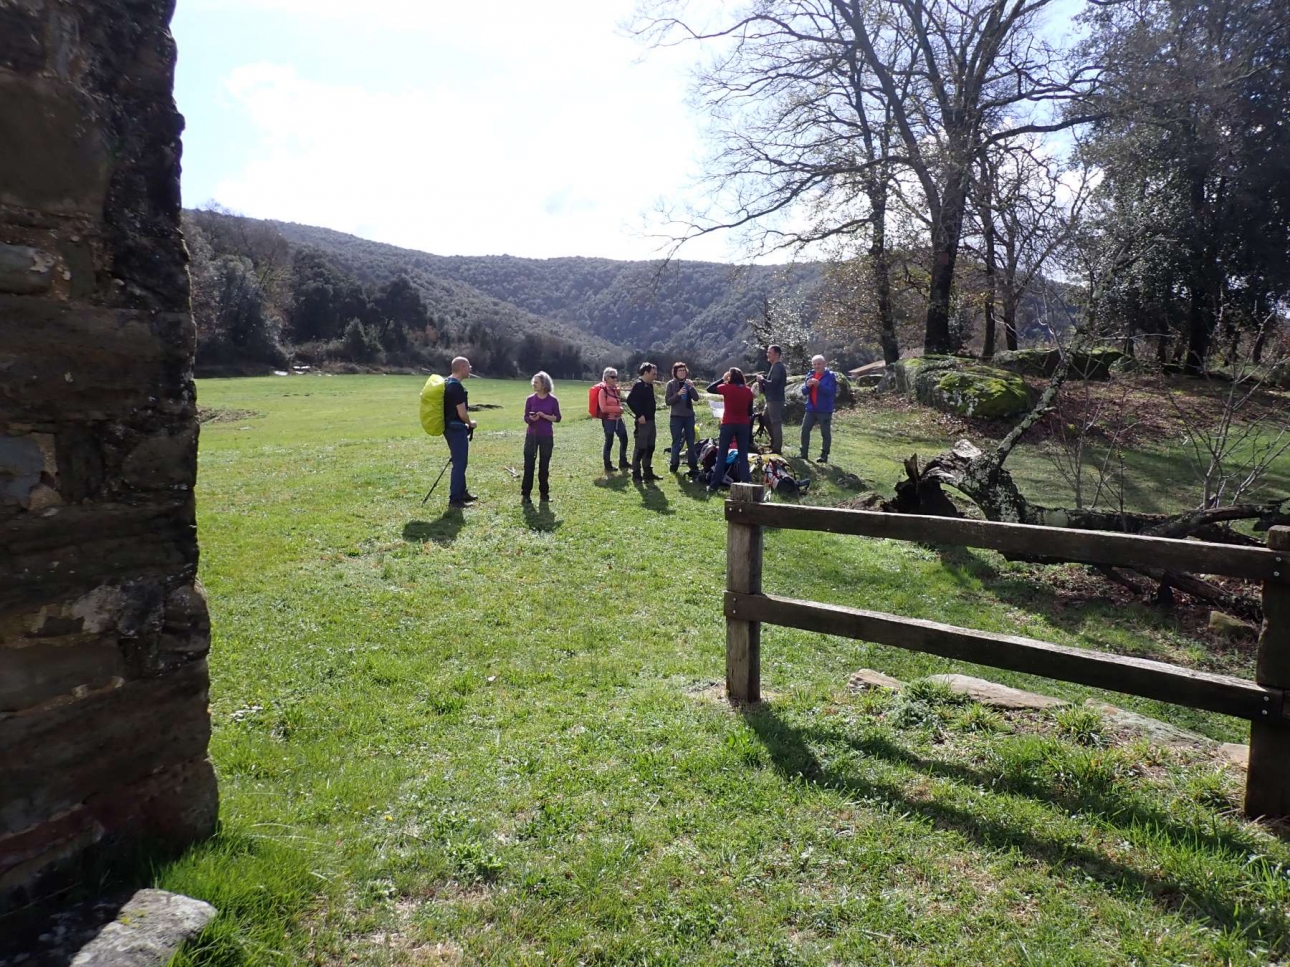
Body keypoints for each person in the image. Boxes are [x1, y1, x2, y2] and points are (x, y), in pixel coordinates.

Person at [706, 367, 755, 491]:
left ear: (730, 377)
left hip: (728, 423)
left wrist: (722, 379)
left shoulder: (726, 388)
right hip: (743, 424)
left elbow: (710, 388)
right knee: (743, 455)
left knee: (722, 454)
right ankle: (747, 483)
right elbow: (750, 411)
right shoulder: (748, 391)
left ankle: (714, 485)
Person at [521, 371, 561, 503]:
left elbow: (557, 418)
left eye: (536, 382)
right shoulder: (530, 399)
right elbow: (526, 417)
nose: (534, 384)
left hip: (546, 437)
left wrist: (545, 416)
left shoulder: (553, 400)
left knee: (544, 466)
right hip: (532, 436)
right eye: (533, 382)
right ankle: (526, 494)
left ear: (544, 384)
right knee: (529, 465)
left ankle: (544, 493)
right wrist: (531, 419)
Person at [443, 356, 477, 509]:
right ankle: (455, 499)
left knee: (460, 461)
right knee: (460, 463)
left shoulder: (446, 383)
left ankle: (462, 492)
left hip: (448, 427)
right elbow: (462, 413)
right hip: (456, 428)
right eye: (469, 367)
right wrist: (470, 423)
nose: (470, 369)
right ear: (462, 367)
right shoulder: (456, 387)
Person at [625, 362, 661, 482]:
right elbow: (630, 400)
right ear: (646, 373)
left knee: (650, 447)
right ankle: (636, 473)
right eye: (653, 374)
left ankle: (647, 472)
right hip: (643, 423)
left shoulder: (649, 385)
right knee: (640, 448)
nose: (655, 376)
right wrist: (639, 415)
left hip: (651, 421)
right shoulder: (639, 385)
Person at [664, 361, 700, 477]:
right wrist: (678, 394)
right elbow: (668, 401)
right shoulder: (671, 384)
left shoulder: (688, 383)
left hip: (689, 417)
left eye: (684, 370)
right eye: (680, 370)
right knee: (676, 442)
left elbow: (696, 398)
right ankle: (674, 466)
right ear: (675, 372)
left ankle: (693, 467)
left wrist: (692, 387)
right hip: (676, 417)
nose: (682, 372)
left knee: (691, 442)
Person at [800, 354, 837, 464]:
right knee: (804, 430)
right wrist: (808, 386)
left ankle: (824, 455)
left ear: (824, 364)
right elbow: (804, 391)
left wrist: (819, 385)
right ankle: (803, 454)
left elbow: (831, 392)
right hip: (811, 408)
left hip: (824, 409)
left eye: (819, 364)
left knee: (825, 433)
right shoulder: (810, 374)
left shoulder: (830, 376)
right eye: (814, 364)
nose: (816, 366)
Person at [597, 368, 629, 474]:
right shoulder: (602, 391)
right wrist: (618, 409)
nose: (615, 379)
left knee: (624, 439)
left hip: (618, 419)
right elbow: (603, 408)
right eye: (613, 377)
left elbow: (618, 402)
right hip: (609, 420)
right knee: (609, 442)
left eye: (616, 377)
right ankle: (607, 465)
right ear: (606, 378)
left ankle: (623, 461)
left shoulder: (615, 390)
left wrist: (620, 408)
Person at [756, 345, 788, 454]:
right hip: (771, 399)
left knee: (775, 423)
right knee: (765, 418)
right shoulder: (774, 366)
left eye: (770, 353)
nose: (767, 355)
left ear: (777, 354)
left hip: (775, 399)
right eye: (768, 352)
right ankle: (774, 442)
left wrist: (762, 379)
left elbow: (773, 383)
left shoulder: (778, 367)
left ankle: (777, 448)